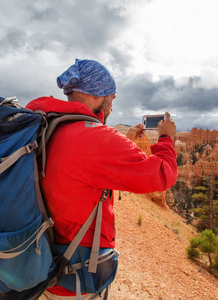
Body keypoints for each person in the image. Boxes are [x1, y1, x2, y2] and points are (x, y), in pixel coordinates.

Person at [26, 59, 177, 299]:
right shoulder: (95, 139)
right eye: (112, 98)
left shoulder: (48, 125)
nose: (112, 107)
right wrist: (166, 138)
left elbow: (81, 157)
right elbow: (161, 174)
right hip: (77, 276)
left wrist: (120, 138)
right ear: (98, 95)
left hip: (41, 261)